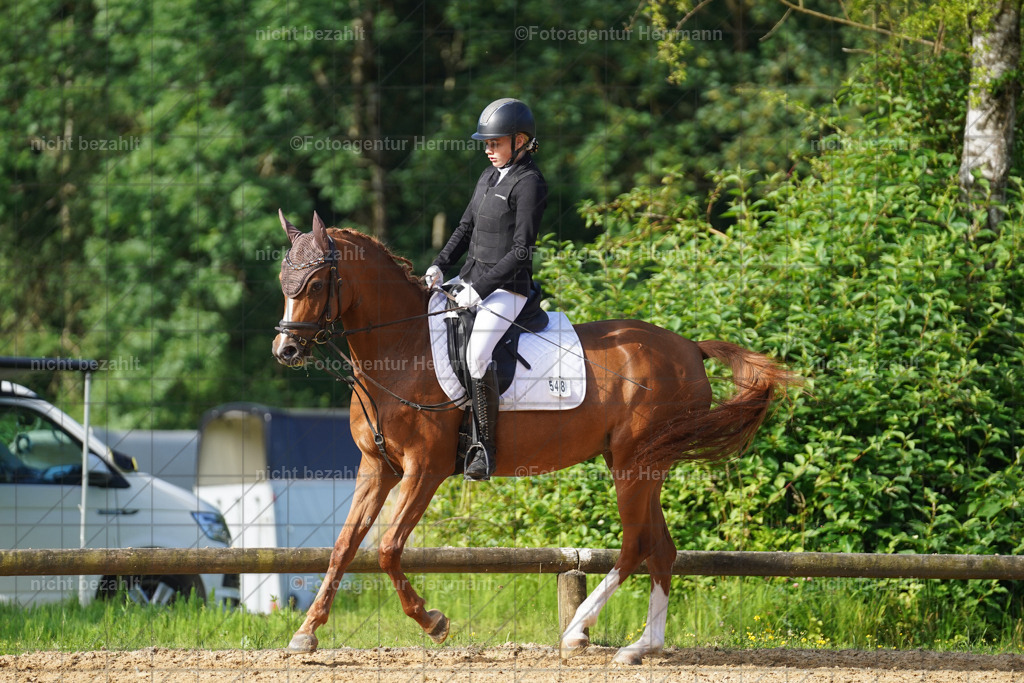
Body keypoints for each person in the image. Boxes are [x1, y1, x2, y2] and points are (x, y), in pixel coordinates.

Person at [425, 98, 548, 481]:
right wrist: (440, 265)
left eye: (495, 143)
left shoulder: (530, 184)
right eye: (486, 143)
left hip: (508, 289)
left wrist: (479, 289)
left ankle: (484, 448)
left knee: (478, 354)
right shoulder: (488, 176)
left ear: (520, 141)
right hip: (469, 279)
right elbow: (465, 228)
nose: (488, 149)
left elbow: (521, 252)